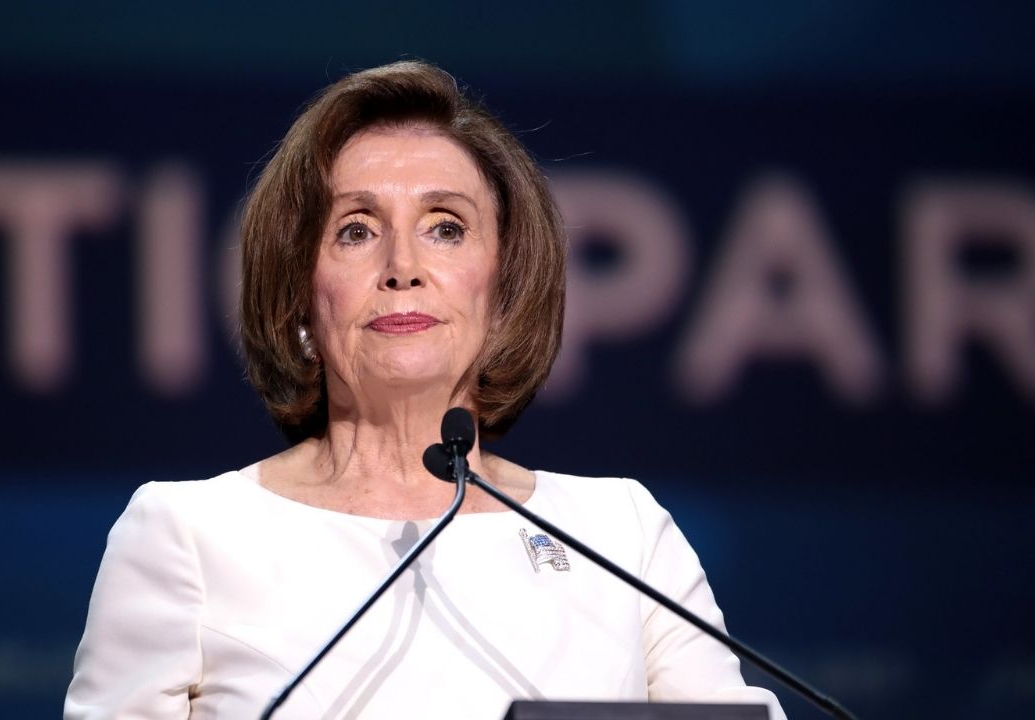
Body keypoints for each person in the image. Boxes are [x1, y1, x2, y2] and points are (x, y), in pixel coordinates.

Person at [64, 60, 786, 720]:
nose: (402, 265)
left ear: (503, 288)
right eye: (355, 230)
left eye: (446, 228)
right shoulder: (188, 536)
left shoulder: (619, 534)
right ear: (299, 296)